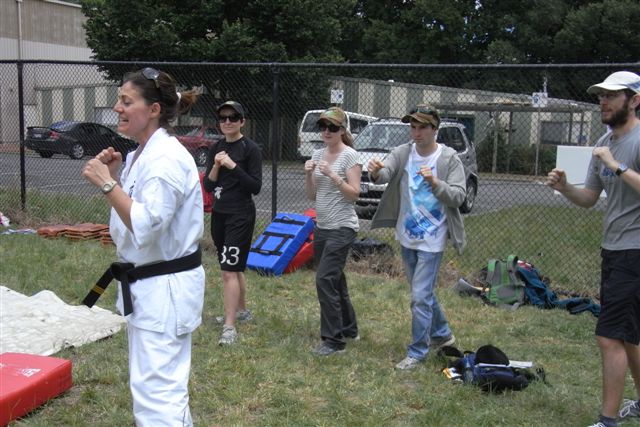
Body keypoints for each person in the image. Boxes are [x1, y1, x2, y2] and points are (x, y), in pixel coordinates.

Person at [81, 67, 205, 426]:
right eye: (119, 99)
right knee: (157, 390)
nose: (117, 108)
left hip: (163, 290)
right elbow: (138, 215)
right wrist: (116, 180)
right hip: (149, 286)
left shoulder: (165, 159)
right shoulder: (142, 154)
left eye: (126, 101)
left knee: (158, 396)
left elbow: (146, 226)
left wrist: (107, 185)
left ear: (153, 110)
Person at [545, 71, 640, 427]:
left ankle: (607, 421)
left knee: (609, 336)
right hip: (613, 249)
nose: (603, 101)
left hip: (636, 250)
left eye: (612, 95)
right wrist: (566, 188)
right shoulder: (603, 141)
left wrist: (617, 165)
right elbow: (589, 198)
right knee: (629, 335)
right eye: (601, 95)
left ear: (635, 100)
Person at [367, 105, 466, 370]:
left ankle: (418, 352)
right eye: (413, 127)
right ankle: (442, 334)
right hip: (406, 236)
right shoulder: (403, 152)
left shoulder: (448, 158)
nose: (416, 132)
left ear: (435, 129)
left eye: (422, 127)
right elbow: (385, 174)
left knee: (420, 297)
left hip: (433, 239)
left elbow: (458, 196)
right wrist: (375, 171)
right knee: (422, 293)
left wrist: (435, 183)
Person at [202, 100, 262, 345]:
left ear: (242, 121)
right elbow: (208, 185)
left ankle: (229, 326)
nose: (227, 122)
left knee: (228, 270)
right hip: (220, 214)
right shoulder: (215, 147)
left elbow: (255, 186)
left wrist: (233, 166)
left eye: (233, 117)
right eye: (223, 118)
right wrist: (217, 166)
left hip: (240, 215)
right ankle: (241, 311)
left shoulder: (250, 149)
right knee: (232, 267)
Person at [304, 106, 362, 356]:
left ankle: (334, 341)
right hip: (323, 227)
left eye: (332, 127)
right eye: (323, 126)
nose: (326, 131)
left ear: (342, 130)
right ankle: (349, 328)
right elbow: (312, 195)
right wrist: (309, 175)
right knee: (335, 279)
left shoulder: (350, 156)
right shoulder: (317, 153)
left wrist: (333, 176)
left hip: (343, 227)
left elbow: (354, 194)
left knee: (324, 279)